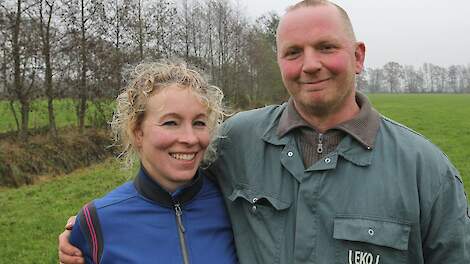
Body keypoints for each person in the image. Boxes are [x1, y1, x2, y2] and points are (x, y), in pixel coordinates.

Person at [60, 0, 470, 263]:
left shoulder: (426, 173)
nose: (310, 64)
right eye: (293, 53)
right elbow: (173, 188)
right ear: (280, 62)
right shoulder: (238, 140)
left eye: (326, 47)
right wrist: (93, 231)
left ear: (358, 56)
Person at [62, 61, 237, 264]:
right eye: (171, 122)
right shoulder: (97, 221)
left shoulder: (233, 205)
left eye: (199, 123)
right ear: (138, 133)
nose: (190, 139)